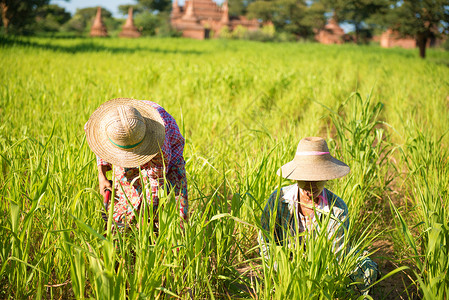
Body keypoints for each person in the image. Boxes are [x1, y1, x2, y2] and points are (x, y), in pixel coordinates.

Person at [258, 137, 378, 295]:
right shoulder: (279, 199)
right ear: (295, 177)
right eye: (305, 179)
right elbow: (264, 240)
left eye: (317, 179)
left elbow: (337, 257)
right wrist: (283, 269)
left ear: (327, 177)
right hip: (286, 263)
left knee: (366, 273)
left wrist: (317, 281)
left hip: (325, 266)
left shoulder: (337, 209)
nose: (311, 186)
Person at [84, 98, 188, 228]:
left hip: (166, 158)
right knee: (123, 194)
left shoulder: (159, 147)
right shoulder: (108, 123)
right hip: (131, 138)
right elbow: (101, 143)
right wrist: (102, 175)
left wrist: (144, 217)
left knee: (172, 207)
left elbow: (156, 184)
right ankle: (121, 230)